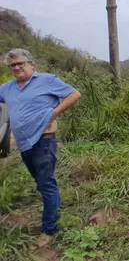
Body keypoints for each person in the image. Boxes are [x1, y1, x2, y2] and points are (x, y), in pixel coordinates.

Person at [0, 48, 81, 248]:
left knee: (45, 183)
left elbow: (74, 94)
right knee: (41, 180)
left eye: (21, 63)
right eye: (13, 65)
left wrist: (53, 114)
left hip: (44, 140)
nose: (17, 67)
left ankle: (49, 230)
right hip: (23, 142)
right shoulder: (7, 88)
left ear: (31, 64)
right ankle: (55, 205)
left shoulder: (47, 80)